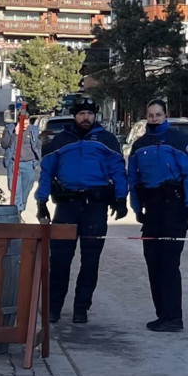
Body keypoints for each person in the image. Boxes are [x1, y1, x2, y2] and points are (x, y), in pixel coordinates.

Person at [33, 95, 126, 325]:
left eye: (90, 114)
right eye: (82, 114)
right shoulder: (61, 140)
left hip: (95, 207)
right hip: (66, 207)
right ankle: (53, 308)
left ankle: (81, 309)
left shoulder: (107, 140)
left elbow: (118, 171)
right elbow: (46, 171)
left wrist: (121, 198)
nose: (86, 118)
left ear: (95, 116)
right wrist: (41, 201)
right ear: (75, 115)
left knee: (90, 261)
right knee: (61, 260)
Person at [128, 98, 188, 332]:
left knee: (169, 264)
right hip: (152, 208)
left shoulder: (178, 140)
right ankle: (162, 315)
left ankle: (173, 317)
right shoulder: (140, 145)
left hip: (174, 207)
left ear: (165, 115)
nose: (154, 119)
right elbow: (133, 179)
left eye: (158, 115)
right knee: (153, 262)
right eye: (150, 115)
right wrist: (136, 207)